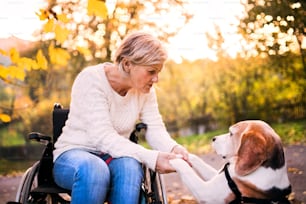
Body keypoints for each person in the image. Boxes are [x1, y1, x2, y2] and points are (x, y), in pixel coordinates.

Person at [53, 31, 190, 204]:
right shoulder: (91, 80)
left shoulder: (145, 90)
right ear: (127, 64)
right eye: (151, 71)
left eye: (158, 72)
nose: (156, 79)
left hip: (114, 156)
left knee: (131, 168)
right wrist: (152, 158)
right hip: (74, 155)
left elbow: (154, 128)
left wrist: (173, 149)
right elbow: (102, 137)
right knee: (94, 169)